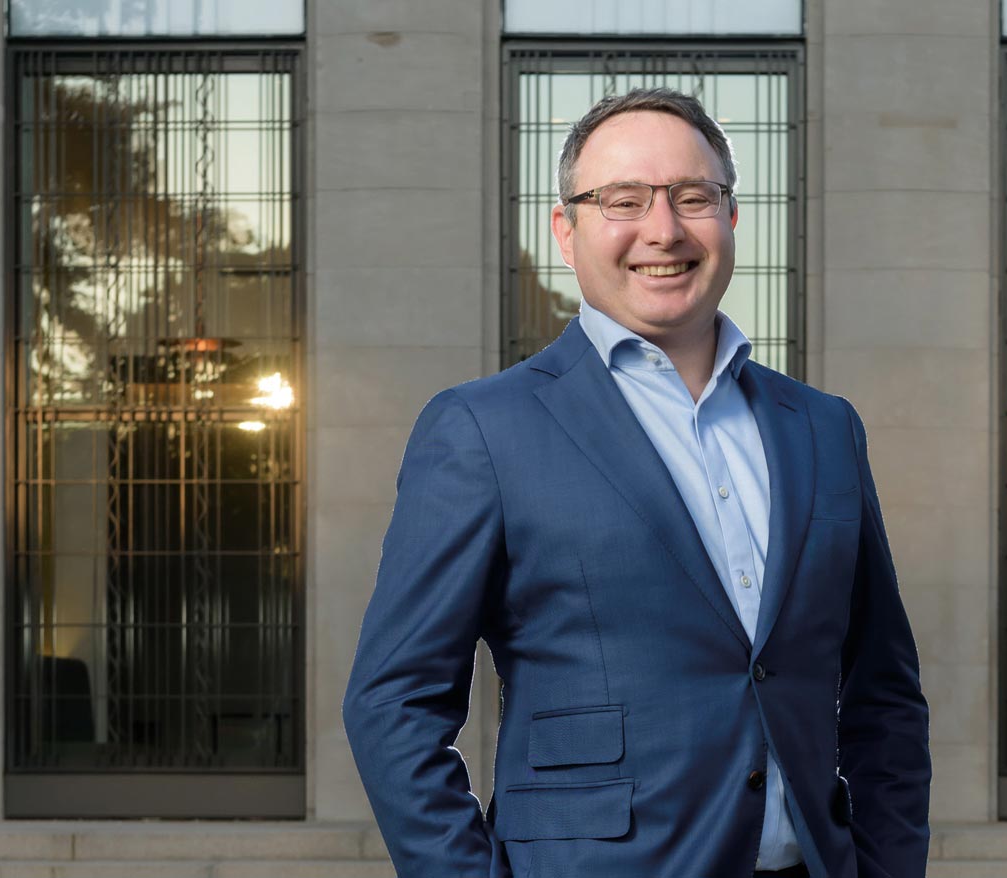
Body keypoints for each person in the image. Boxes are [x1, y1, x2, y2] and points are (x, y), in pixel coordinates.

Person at [343, 87, 930, 878]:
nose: (663, 230)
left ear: (731, 217)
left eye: (694, 197)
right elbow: (394, 704)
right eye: (623, 200)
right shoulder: (484, 429)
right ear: (566, 230)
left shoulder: (823, 429)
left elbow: (885, 695)